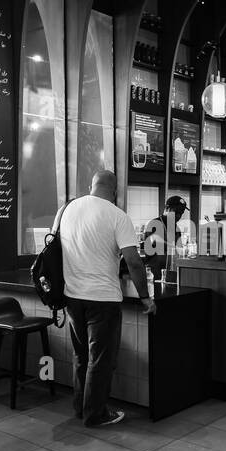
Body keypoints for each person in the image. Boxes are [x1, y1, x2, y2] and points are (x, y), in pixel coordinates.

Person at [57, 170, 156, 427]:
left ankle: (81, 407)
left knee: (81, 357)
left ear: (91, 185)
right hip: (103, 299)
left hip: (72, 296)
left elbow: (56, 248)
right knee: (100, 360)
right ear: (114, 190)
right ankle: (95, 414)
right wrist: (145, 297)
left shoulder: (67, 209)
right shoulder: (117, 215)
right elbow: (133, 262)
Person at [142, 195, 187, 280]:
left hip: (171, 272)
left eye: (181, 213)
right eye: (176, 212)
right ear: (167, 209)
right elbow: (155, 240)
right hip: (155, 274)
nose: (178, 216)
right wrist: (174, 247)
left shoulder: (176, 228)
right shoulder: (154, 223)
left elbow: (180, 250)